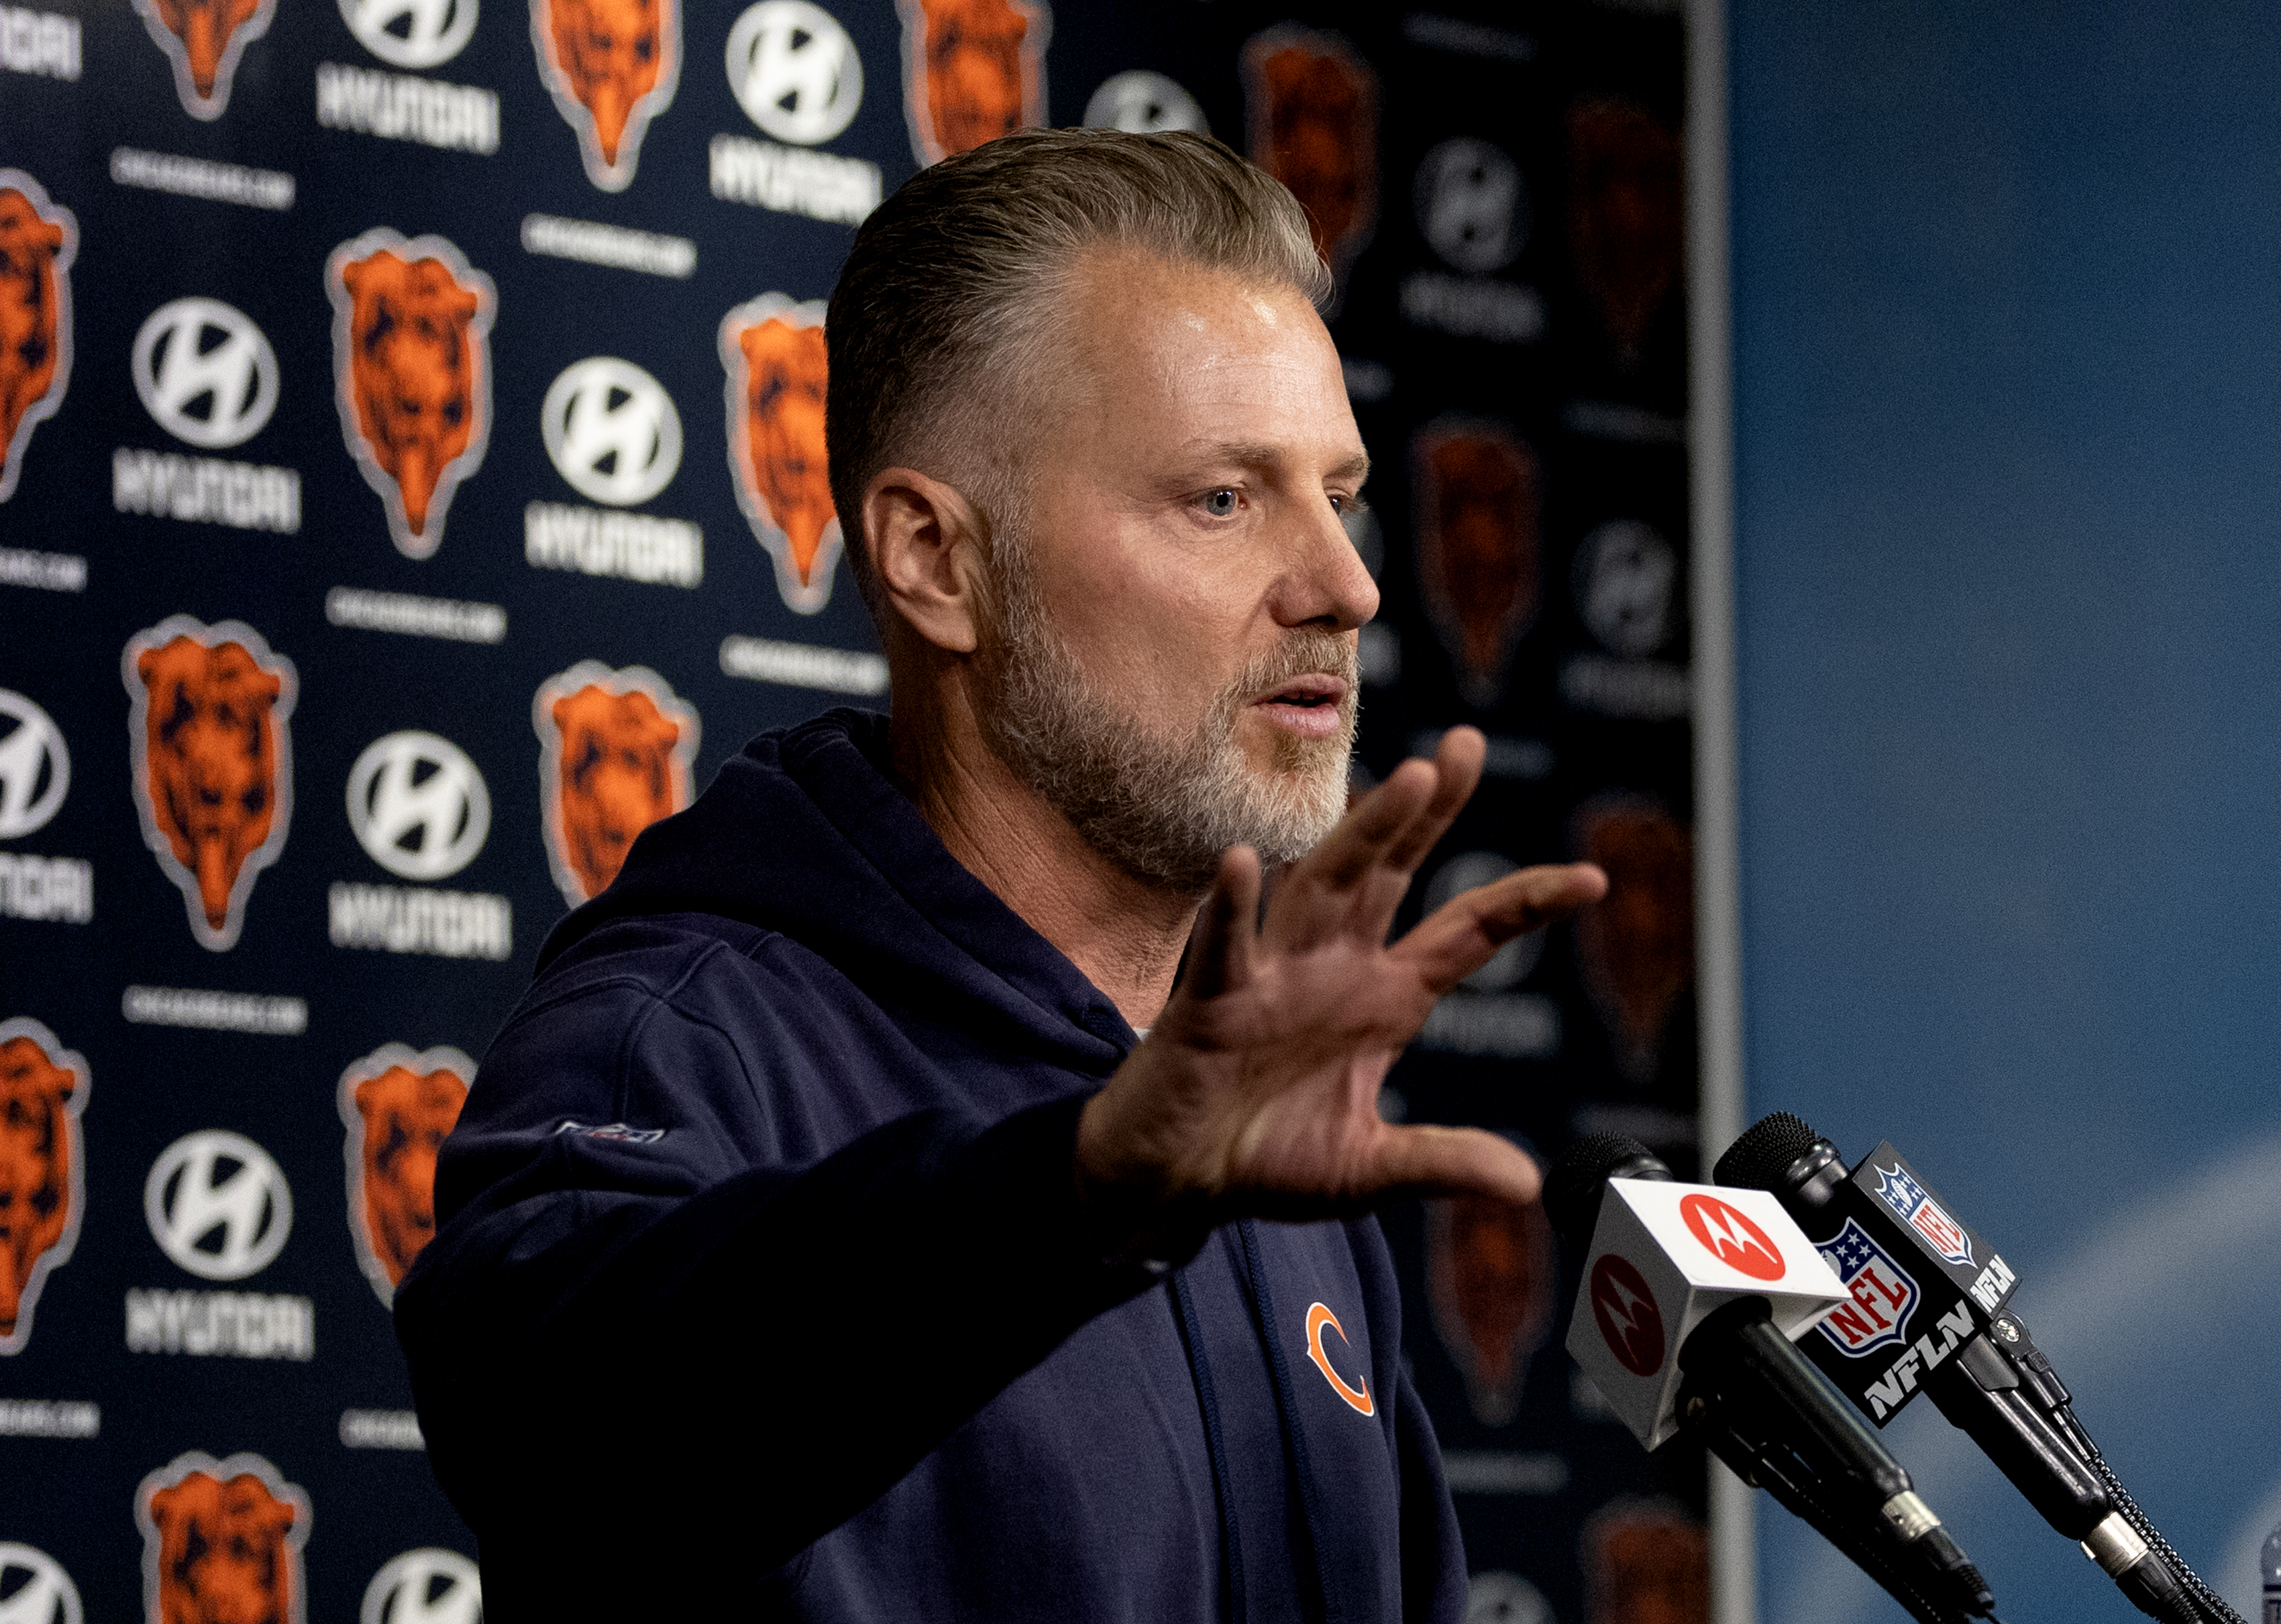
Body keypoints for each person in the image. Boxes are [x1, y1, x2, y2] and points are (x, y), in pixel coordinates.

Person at [396, 127, 1606, 1623]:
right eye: (1221, 499)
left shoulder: (1261, 1112)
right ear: (935, 559)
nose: (1346, 586)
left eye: (1339, 494)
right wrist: (1075, 1190)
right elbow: (549, 1422)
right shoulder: (686, 1032)